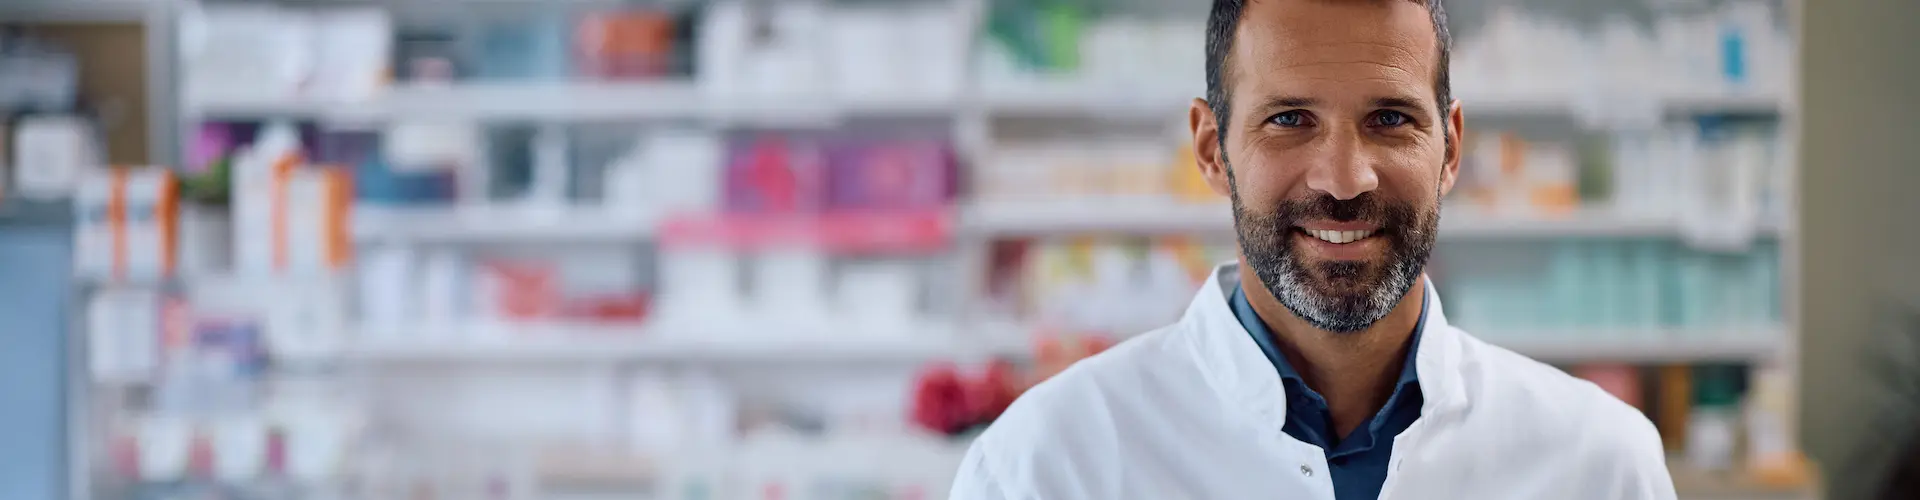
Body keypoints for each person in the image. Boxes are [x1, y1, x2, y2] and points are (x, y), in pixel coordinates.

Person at [949, 0, 1677, 498]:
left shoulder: (1600, 463)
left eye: (1390, 118)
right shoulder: (1048, 464)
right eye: (1290, 118)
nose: (1343, 178)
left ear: (1451, 147)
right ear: (1211, 148)